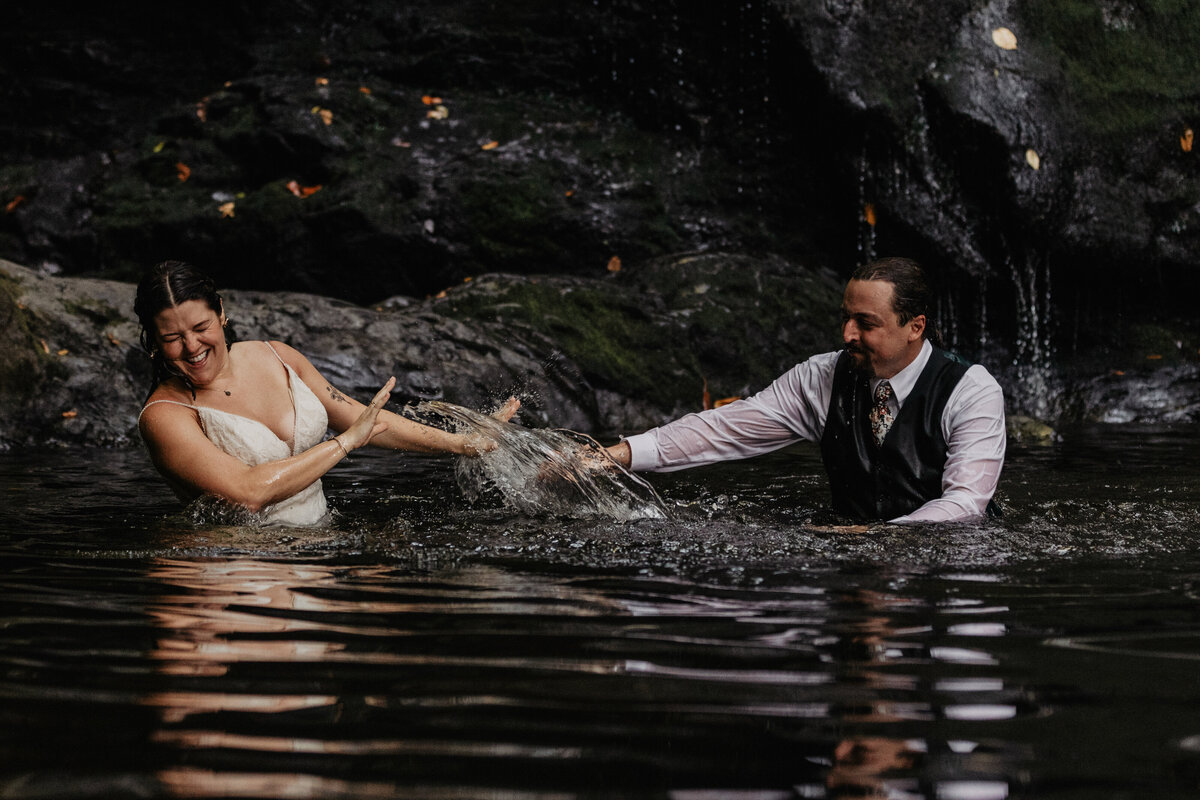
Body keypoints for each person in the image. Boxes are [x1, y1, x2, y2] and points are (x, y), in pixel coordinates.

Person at [603, 256, 1005, 524]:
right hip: (845, 562)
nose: (848, 334)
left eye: (866, 323)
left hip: (941, 576)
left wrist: (879, 540)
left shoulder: (971, 391)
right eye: (846, 318)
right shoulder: (822, 377)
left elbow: (966, 505)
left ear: (915, 327)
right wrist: (615, 457)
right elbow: (725, 428)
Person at [134, 260, 518, 526]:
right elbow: (246, 492)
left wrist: (463, 443)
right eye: (172, 337)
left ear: (220, 312)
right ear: (154, 342)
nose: (191, 346)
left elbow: (363, 420)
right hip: (235, 564)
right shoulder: (165, 415)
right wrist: (344, 444)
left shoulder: (276, 356)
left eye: (200, 326)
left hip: (316, 541)